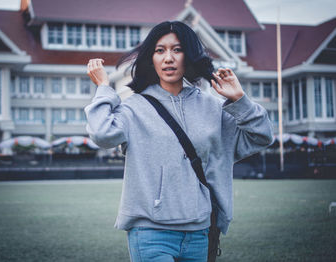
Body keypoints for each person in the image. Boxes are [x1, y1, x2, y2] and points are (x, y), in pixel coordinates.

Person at [85, 21, 273, 262]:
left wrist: (240, 100)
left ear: (190, 55)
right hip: (150, 232)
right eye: (160, 50)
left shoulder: (213, 107)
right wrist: (103, 88)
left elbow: (262, 136)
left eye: (177, 49)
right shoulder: (134, 107)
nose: (168, 58)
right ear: (151, 58)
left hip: (200, 233)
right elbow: (101, 133)